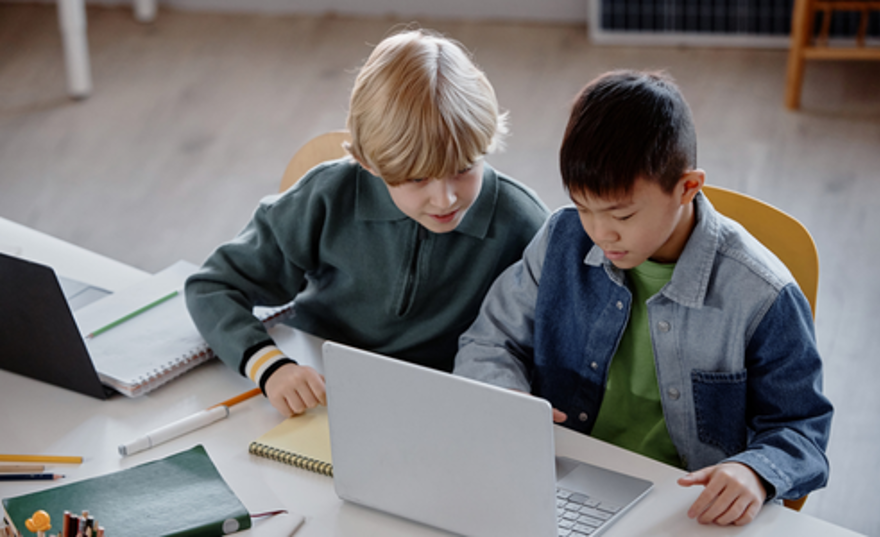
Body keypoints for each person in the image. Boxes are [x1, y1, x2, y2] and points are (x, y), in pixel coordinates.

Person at [454, 70, 832, 527]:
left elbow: (801, 428)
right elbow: (489, 341)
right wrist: (505, 399)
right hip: (564, 477)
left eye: (622, 213)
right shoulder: (561, 240)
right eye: (583, 207)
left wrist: (755, 471)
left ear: (688, 187)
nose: (600, 232)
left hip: (684, 506)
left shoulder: (761, 294)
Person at [185, 29, 549, 418]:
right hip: (317, 390)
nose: (445, 199)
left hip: (436, 406)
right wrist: (269, 366)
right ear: (368, 163)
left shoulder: (524, 223)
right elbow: (213, 287)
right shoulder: (327, 196)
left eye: (463, 169)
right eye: (417, 179)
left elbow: (540, 339)